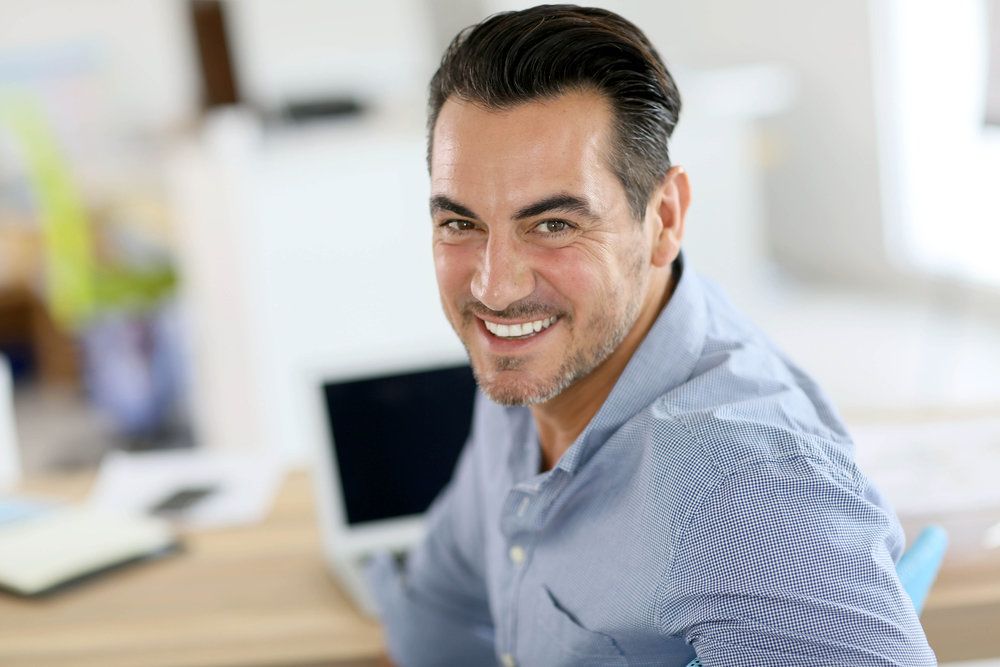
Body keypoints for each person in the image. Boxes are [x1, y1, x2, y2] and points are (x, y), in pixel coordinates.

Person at [368, 5, 936, 665]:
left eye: (553, 224)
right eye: (460, 223)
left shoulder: (746, 490)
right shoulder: (530, 368)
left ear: (663, 218)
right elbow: (440, 600)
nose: (494, 289)